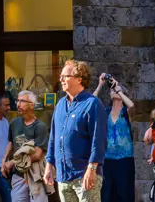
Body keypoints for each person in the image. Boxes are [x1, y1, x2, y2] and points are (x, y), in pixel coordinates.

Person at [45, 59, 109, 202]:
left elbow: (98, 140)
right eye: (61, 76)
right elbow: (53, 137)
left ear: (79, 79)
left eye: (65, 76)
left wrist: (92, 168)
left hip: (85, 174)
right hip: (63, 176)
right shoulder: (60, 105)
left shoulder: (92, 104)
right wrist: (49, 165)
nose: (61, 79)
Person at [94, 79, 136, 202]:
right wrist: (100, 84)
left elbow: (131, 105)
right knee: (106, 194)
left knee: (124, 194)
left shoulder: (126, 112)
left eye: (116, 89)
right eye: (112, 90)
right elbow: (91, 102)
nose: (113, 90)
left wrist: (119, 91)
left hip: (125, 159)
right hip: (107, 158)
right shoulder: (105, 112)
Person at [11, 90, 52, 199]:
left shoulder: (40, 127)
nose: (18, 104)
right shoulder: (14, 123)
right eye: (17, 101)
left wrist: (12, 162)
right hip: (18, 175)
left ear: (32, 105)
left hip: (35, 174)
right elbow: (10, 143)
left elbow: (37, 155)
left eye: (22, 101)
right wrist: (3, 162)